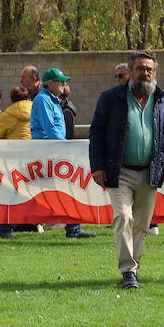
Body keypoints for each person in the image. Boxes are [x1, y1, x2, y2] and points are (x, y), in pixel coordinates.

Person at [89, 51, 164, 289]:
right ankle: (128, 271)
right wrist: (98, 166)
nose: (145, 73)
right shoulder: (111, 98)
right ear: (131, 71)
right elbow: (97, 132)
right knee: (123, 216)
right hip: (119, 171)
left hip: (150, 171)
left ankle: (134, 266)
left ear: (155, 72)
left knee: (142, 225)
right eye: (140, 69)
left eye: (149, 69)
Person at [46, 72, 95, 239]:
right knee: (70, 189)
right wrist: (65, 147)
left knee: (70, 189)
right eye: (61, 82)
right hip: (49, 152)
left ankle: (73, 228)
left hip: (52, 150)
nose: (64, 85)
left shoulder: (52, 100)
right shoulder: (44, 100)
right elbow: (50, 128)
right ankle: (5, 225)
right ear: (51, 83)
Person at [0, 86, 33, 239]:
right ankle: (8, 226)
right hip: (35, 157)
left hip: (13, 159)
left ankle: (4, 226)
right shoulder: (36, 109)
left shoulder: (7, 114)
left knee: (13, 194)